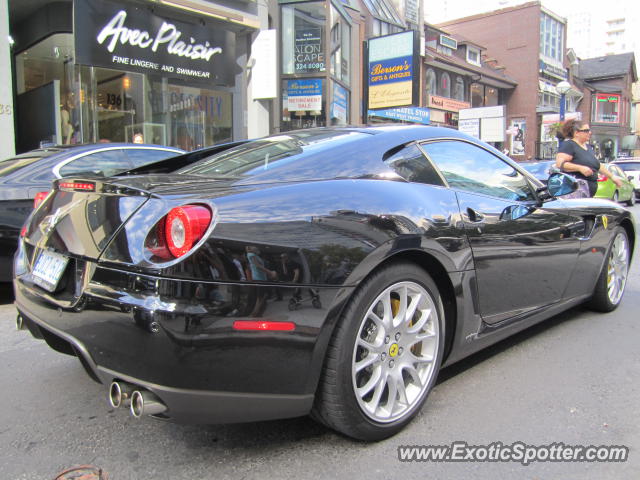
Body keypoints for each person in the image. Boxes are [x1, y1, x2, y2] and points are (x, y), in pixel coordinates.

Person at [555, 119, 622, 197]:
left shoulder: (588, 147)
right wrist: (580, 168)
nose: (590, 133)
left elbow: (597, 165)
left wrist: (612, 177)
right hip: (575, 191)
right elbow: (559, 164)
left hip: (588, 191)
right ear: (576, 133)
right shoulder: (569, 145)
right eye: (586, 130)